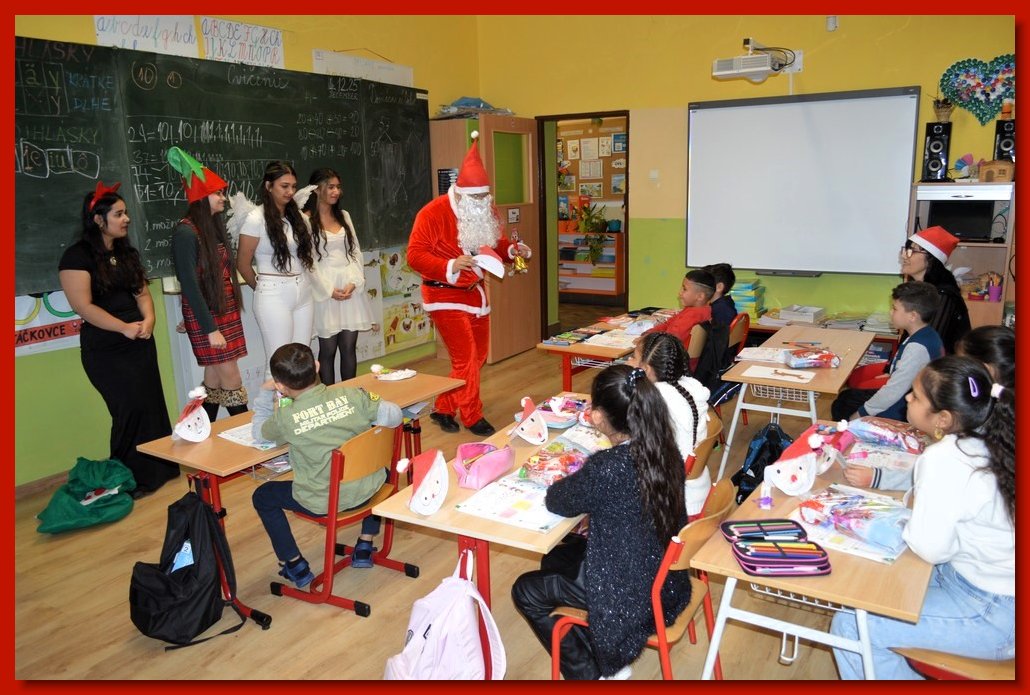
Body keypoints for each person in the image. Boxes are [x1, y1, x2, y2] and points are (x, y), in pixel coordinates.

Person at [830, 355, 1015, 679]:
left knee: (850, 625)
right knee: (876, 587)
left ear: (943, 418)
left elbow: (932, 549)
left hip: (992, 611)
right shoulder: (996, 435)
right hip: (992, 592)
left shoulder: (947, 458)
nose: (906, 398)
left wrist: (909, 519)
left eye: (915, 396)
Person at [511, 364, 692, 680]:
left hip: (627, 593)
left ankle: (593, 673)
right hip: (665, 580)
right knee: (556, 557)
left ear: (596, 416)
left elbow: (558, 501)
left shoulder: (608, 467)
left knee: (525, 591)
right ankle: (595, 646)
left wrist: (575, 476)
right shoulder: (665, 450)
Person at [58, 181, 179, 498]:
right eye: (119, 214)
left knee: (150, 404)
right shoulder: (76, 257)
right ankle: (129, 478)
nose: (126, 219)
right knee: (127, 410)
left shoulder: (126, 253)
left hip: (139, 339)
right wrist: (123, 328)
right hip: (106, 347)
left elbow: (142, 294)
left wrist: (148, 320)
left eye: (125, 213)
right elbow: (84, 307)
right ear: (98, 219)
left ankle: (161, 470)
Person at [407, 132, 530, 437]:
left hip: (475, 294)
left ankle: (444, 407)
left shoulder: (485, 210)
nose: (479, 204)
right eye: (473, 199)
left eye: (483, 199)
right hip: (443, 293)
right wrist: (450, 264)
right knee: (465, 360)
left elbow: (495, 244)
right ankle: (472, 415)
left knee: (478, 357)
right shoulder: (432, 213)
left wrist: (513, 251)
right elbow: (414, 255)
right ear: (460, 193)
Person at [250, 343, 402, 586]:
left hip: (323, 501)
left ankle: (295, 565)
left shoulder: (286, 418)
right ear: (317, 366)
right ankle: (365, 543)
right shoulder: (352, 395)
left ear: (280, 386)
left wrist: (264, 395)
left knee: (263, 496)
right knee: (377, 467)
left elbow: (259, 434)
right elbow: (394, 415)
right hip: (371, 488)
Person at [845, 323, 1015, 491]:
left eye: (959, 362)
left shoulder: (974, 432)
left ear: (985, 370)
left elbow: (937, 473)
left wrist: (879, 477)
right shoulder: (988, 412)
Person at [167, 146, 248, 422]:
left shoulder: (210, 227)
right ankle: (250, 435)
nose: (223, 198)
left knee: (213, 377)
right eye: (218, 193)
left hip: (221, 308)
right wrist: (208, 327)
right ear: (202, 197)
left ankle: (198, 430)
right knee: (231, 378)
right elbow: (189, 283)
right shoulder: (186, 233)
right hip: (210, 318)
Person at [236, 161, 319, 376]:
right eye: (284, 186)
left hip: (303, 292)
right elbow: (243, 264)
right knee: (278, 362)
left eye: (293, 186)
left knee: (303, 360)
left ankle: (300, 399)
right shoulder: (256, 218)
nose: (290, 191)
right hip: (273, 293)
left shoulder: (298, 217)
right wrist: (262, 288)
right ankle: (271, 399)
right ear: (268, 186)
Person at [299, 168, 375, 384]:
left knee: (349, 347)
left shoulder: (344, 216)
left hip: (349, 287)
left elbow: (355, 251)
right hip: (324, 289)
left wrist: (354, 282)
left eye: (338, 187)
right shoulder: (306, 220)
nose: (336, 191)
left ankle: (349, 394)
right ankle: (329, 397)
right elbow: (308, 261)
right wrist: (328, 290)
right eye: (330, 187)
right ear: (317, 189)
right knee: (328, 349)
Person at [830, 281, 943, 422]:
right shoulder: (926, 333)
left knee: (842, 407)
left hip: (904, 408)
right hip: (907, 395)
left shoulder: (917, 347)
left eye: (894, 309)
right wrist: (890, 373)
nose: (890, 312)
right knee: (845, 397)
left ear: (912, 316)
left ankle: (848, 432)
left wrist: (860, 414)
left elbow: (894, 391)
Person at [627, 332, 712, 517]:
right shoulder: (690, 386)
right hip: (697, 489)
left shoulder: (656, 398)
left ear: (646, 369)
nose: (629, 361)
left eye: (633, 358)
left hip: (674, 502)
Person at [901, 226, 971, 354]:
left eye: (912, 251)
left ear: (931, 259)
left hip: (942, 365)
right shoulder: (919, 290)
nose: (904, 256)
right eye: (905, 250)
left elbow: (927, 350)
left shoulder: (942, 295)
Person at [641, 268, 716, 346]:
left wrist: (647, 340)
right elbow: (668, 324)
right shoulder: (702, 310)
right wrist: (648, 334)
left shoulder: (692, 315)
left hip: (672, 351)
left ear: (700, 296)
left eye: (684, 289)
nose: (680, 293)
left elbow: (670, 340)